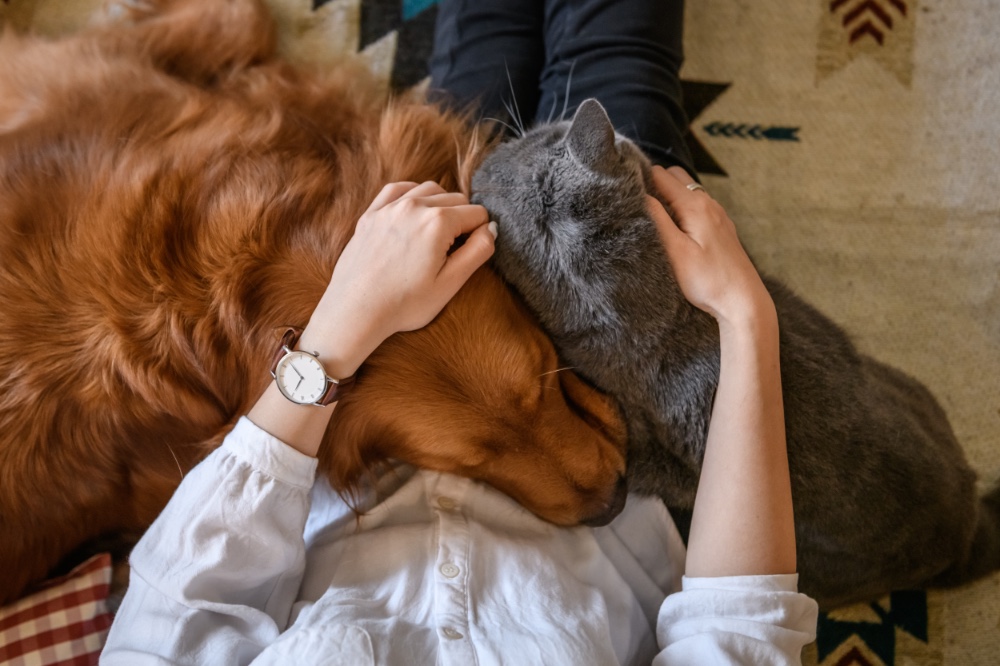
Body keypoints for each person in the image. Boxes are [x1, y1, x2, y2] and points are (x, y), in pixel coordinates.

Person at [102, 0, 819, 663]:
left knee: (481, 44)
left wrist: (340, 326)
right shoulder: (594, 471)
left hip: (371, 360)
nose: (587, 490)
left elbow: (178, 606)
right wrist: (744, 318)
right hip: (612, 360)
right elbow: (739, 633)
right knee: (618, 55)